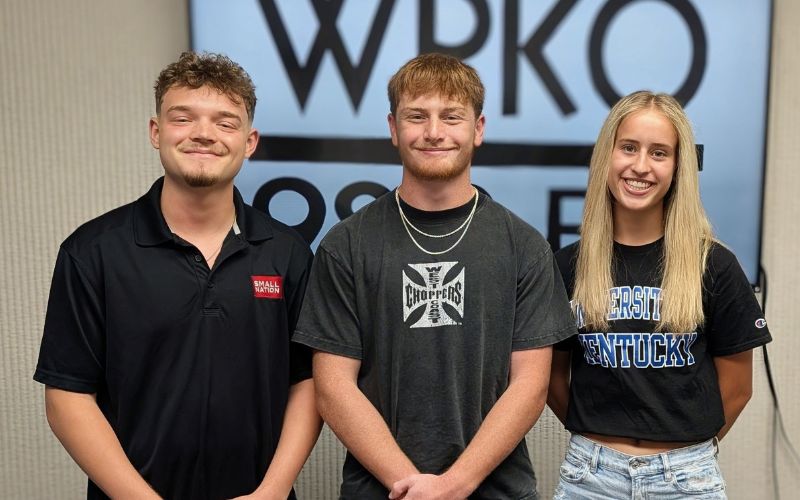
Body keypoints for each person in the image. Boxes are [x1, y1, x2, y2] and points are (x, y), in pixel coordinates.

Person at [34, 51, 321, 500]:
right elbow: (67, 396)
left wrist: (273, 490)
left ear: (249, 141)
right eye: (183, 118)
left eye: (225, 122)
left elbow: (308, 381)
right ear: (156, 131)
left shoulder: (288, 254)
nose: (203, 134)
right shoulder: (92, 252)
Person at [292, 52, 575, 500]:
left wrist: (453, 485)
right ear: (393, 128)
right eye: (417, 116)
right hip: (382, 491)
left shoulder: (524, 246)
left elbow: (530, 385)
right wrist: (411, 486)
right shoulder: (345, 245)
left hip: (495, 492)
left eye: (452, 116)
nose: (434, 132)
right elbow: (333, 388)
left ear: (478, 129)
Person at [547, 90, 772, 499]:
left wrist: (685, 457)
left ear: (678, 166)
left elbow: (738, 387)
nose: (640, 166)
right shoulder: (567, 266)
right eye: (628, 147)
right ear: (606, 156)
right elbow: (550, 379)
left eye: (659, 153)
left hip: (686, 479)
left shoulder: (714, 265)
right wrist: (601, 447)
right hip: (590, 478)